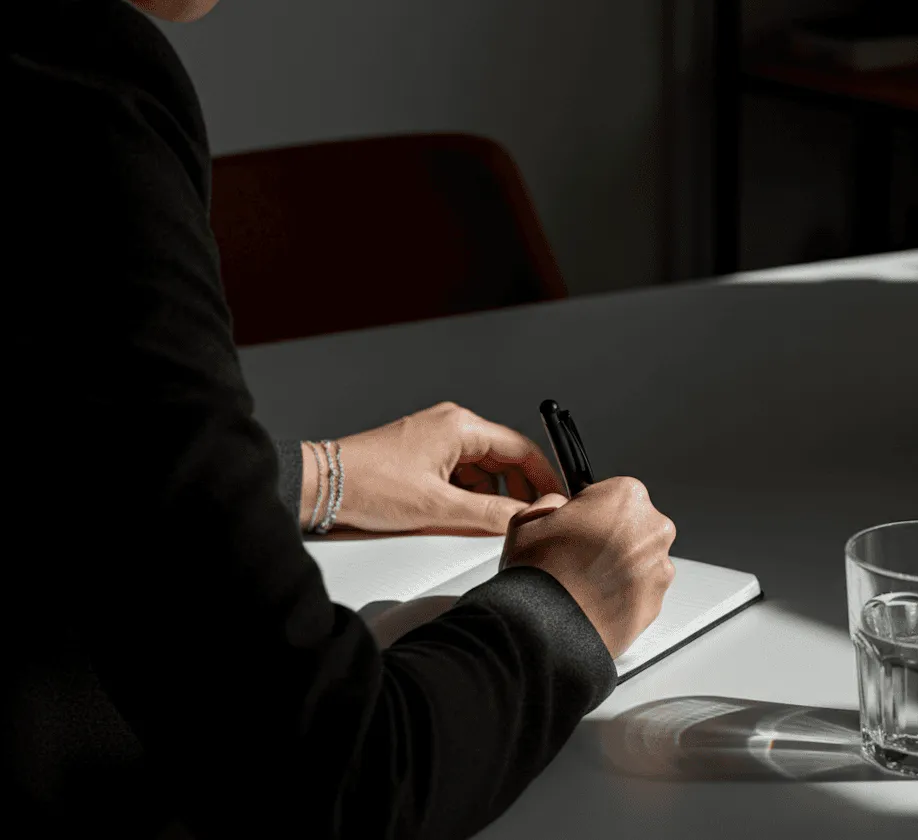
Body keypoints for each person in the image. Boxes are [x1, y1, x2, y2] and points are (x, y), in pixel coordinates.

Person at [6, 1, 677, 837]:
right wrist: (565, 611)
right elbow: (330, 780)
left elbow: (32, 444)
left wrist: (318, 476)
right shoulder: (62, 84)